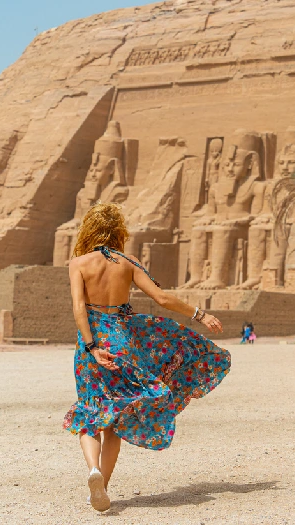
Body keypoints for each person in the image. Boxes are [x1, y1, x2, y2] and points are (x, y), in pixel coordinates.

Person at [63, 203, 230, 512]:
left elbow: (77, 307)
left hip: (93, 342)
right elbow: (162, 298)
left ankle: (93, 471)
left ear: (89, 229)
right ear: (119, 232)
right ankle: (103, 488)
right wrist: (200, 314)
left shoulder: (79, 263)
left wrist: (91, 346)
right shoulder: (128, 263)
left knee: (91, 409)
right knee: (117, 418)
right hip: (125, 341)